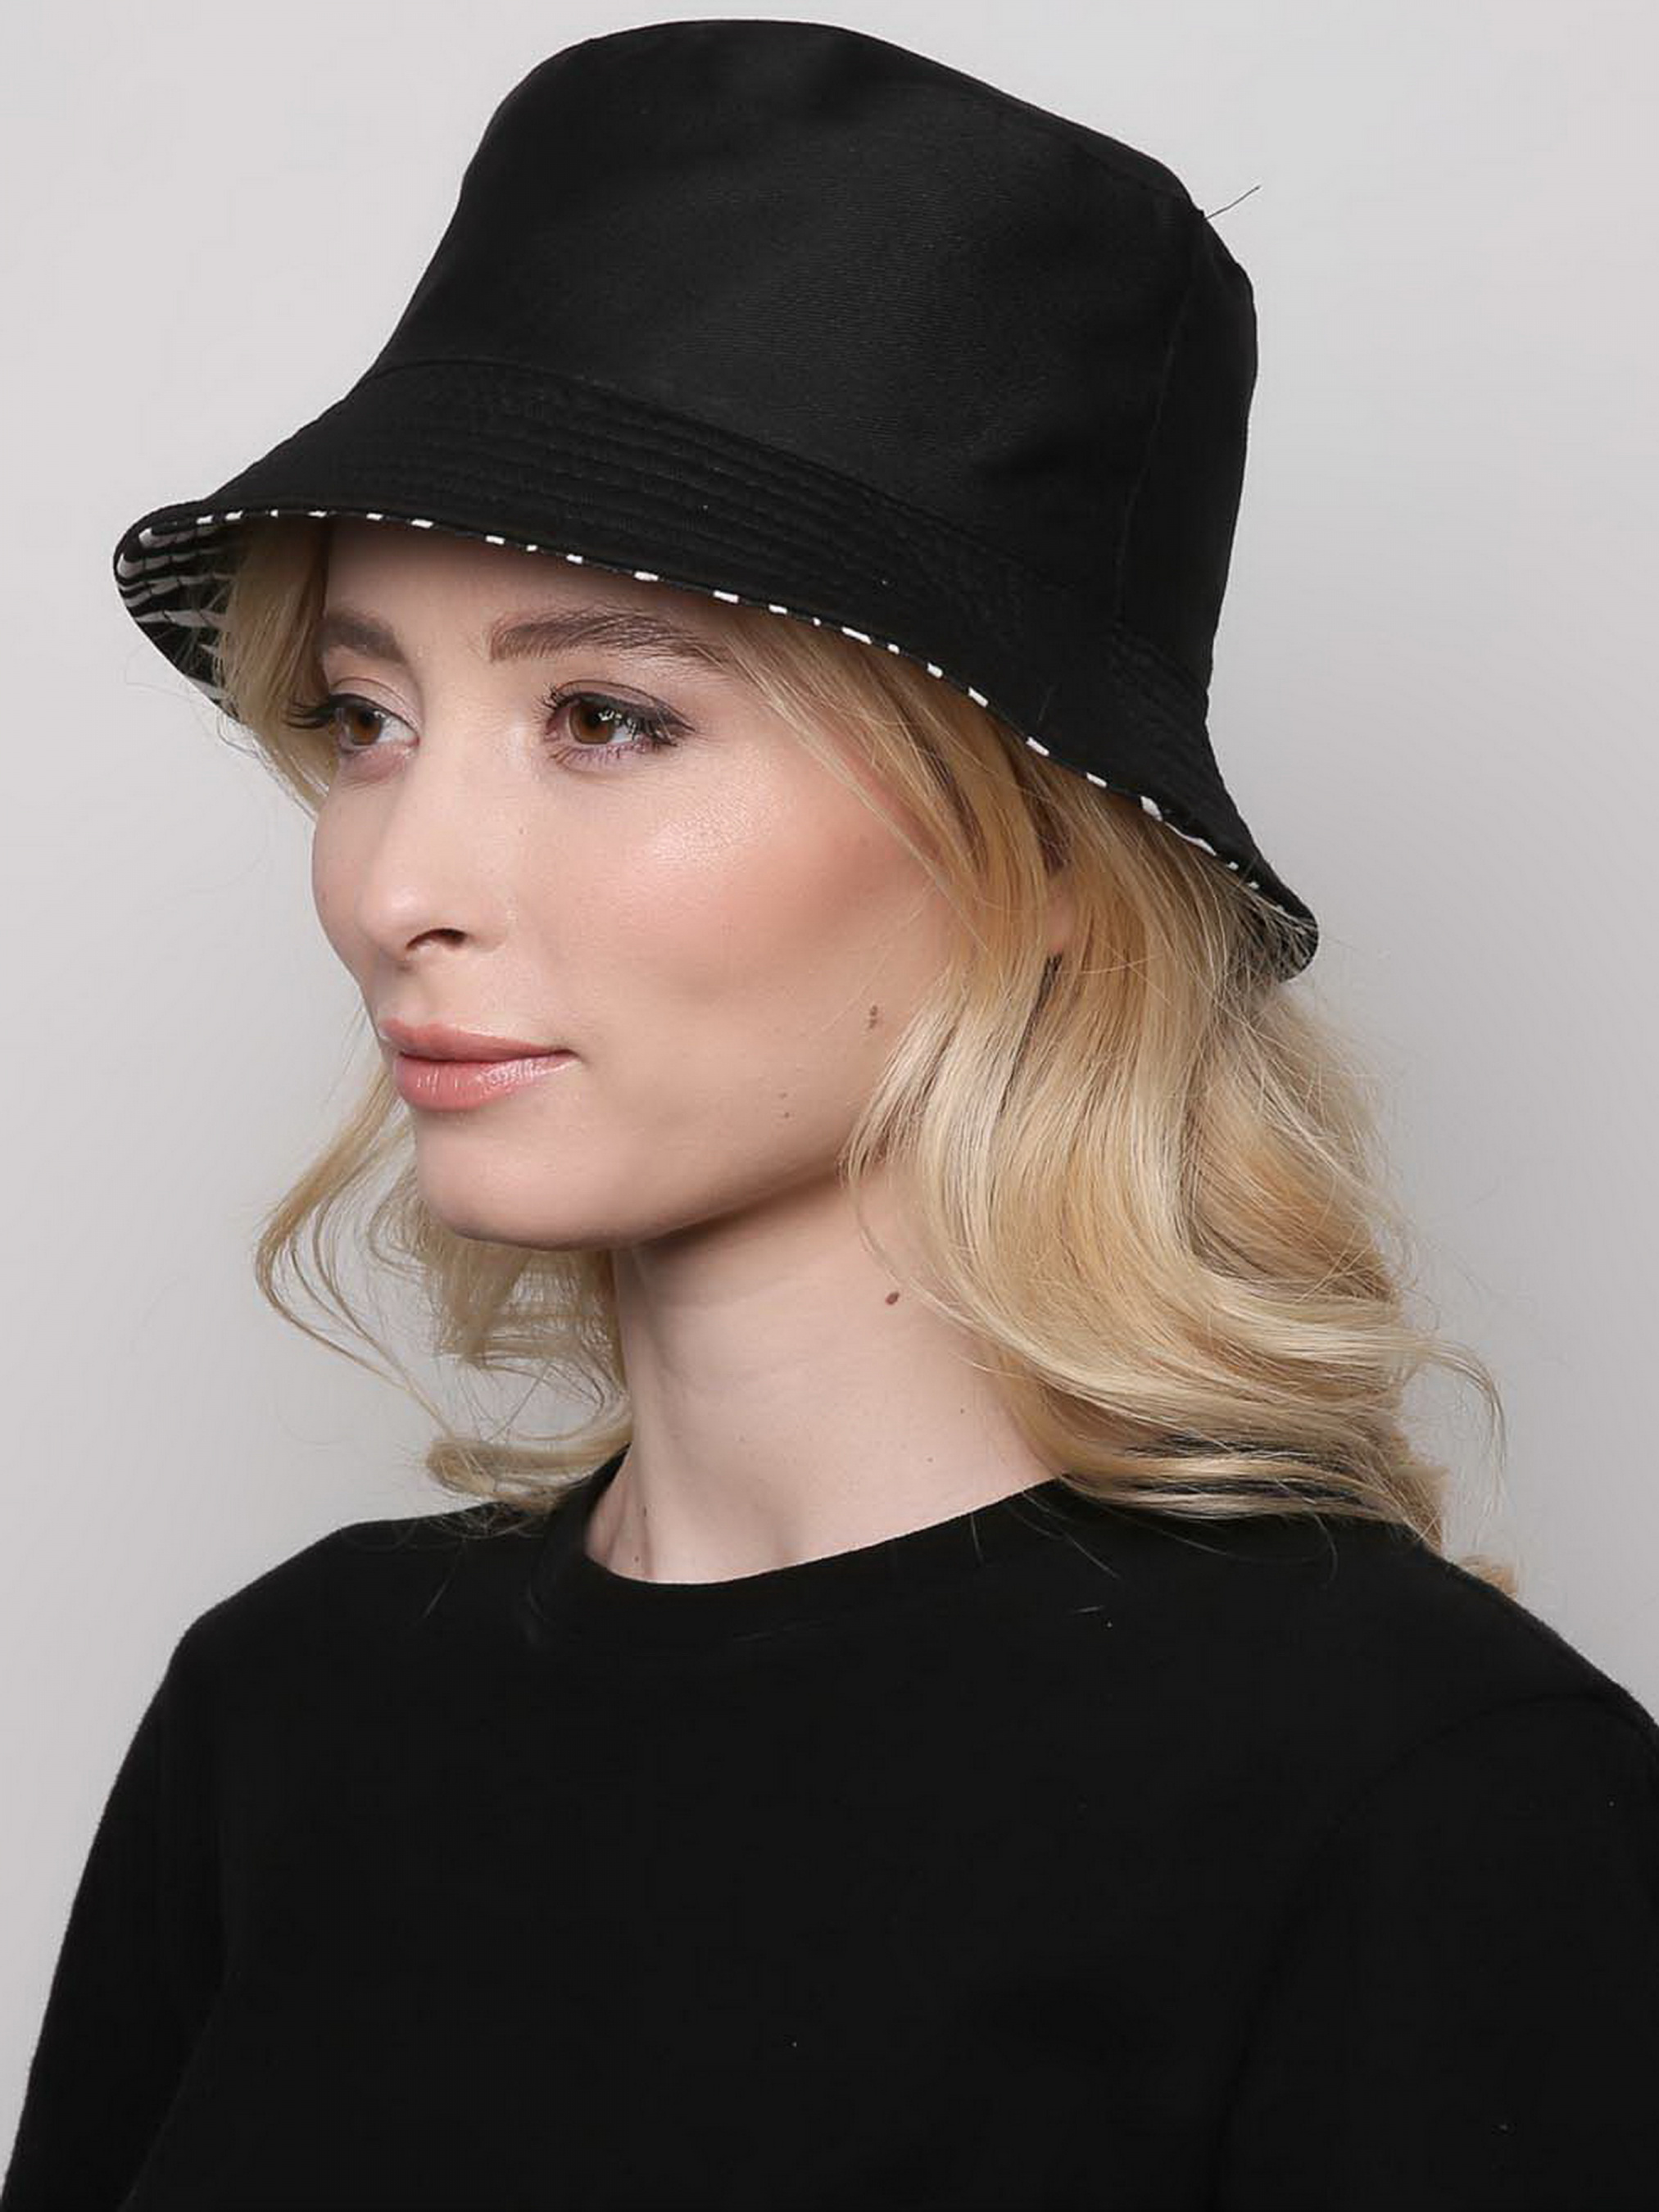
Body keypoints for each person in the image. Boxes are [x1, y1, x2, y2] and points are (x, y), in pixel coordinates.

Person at [7, 19, 1658, 2211]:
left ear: (1047, 857)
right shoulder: (285, 1712)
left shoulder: (1420, 1796)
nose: (396, 885)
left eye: (607, 716)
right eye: (363, 716)